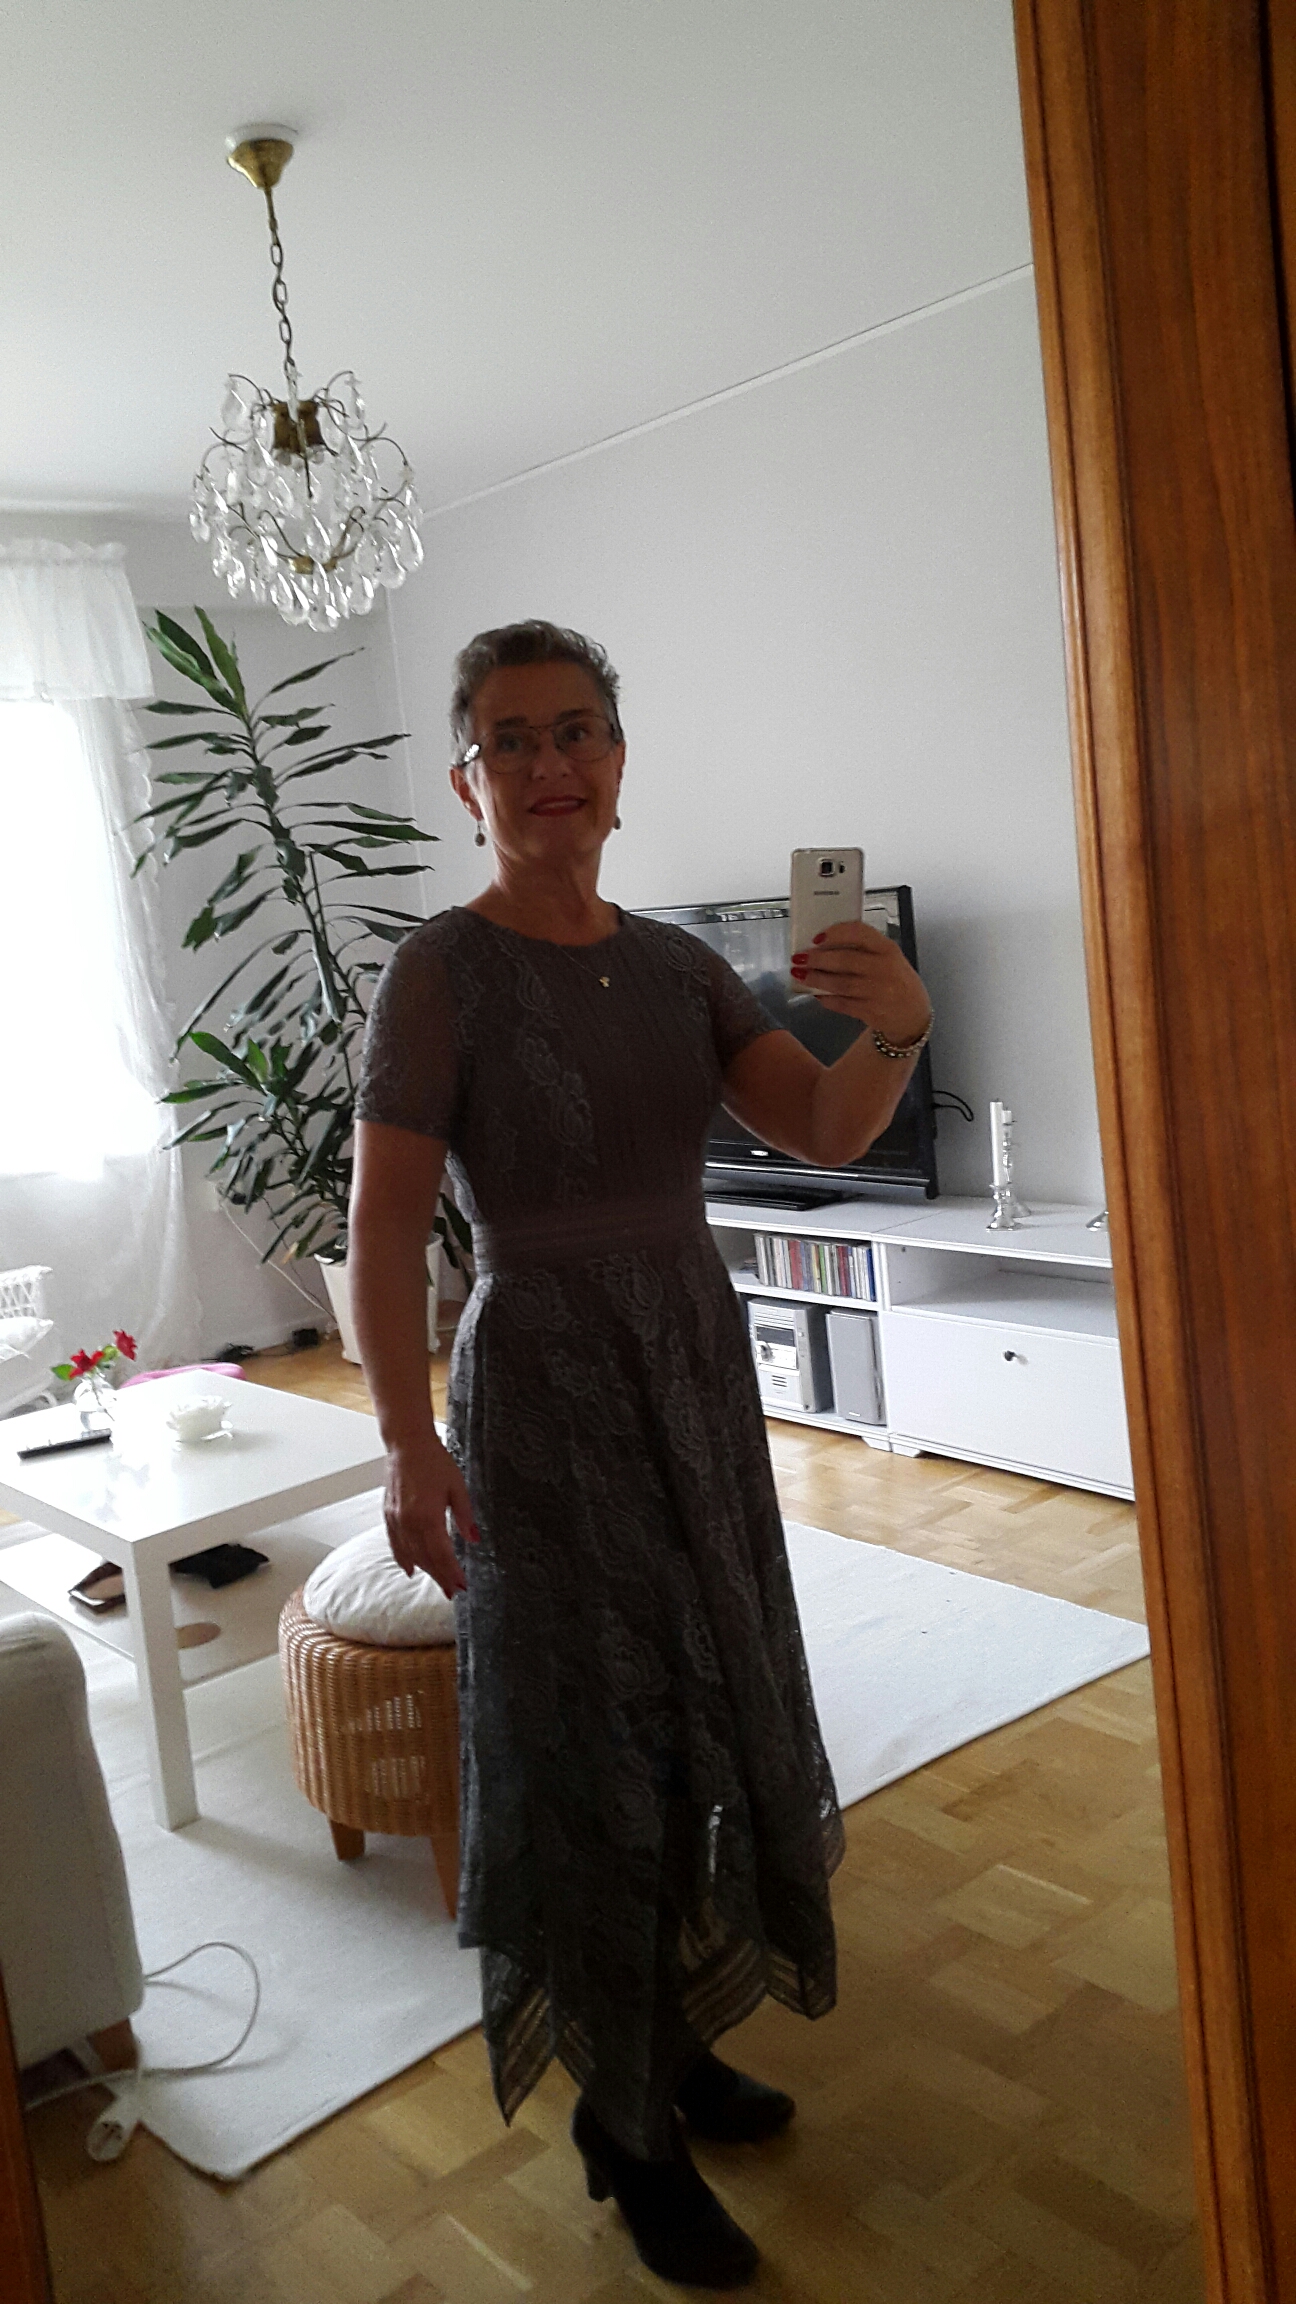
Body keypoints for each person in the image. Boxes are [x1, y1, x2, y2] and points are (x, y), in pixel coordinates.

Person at [349, 620, 934, 2289]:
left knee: (695, 1705)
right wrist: (405, 1443)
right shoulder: (440, 971)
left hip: (692, 1370)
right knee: (585, 1738)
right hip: (540, 1388)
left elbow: (820, 1127)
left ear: (619, 764)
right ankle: (626, 2124)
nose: (549, 764)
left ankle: (671, 2042)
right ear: (469, 782)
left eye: (577, 732)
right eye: (512, 739)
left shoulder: (684, 970)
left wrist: (897, 1028)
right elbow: (384, 1229)